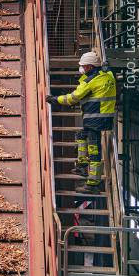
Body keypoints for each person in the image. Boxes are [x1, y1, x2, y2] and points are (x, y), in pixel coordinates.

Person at [46, 51, 116, 194]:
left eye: (83, 66)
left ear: (90, 67)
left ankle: (93, 184)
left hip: (94, 119)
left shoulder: (90, 82)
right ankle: (82, 165)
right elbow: (108, 71)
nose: (82, 69)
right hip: (103, 118)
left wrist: (55, 99)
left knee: (94, 152)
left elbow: (73, 98)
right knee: (80, 135)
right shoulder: (108, 76)